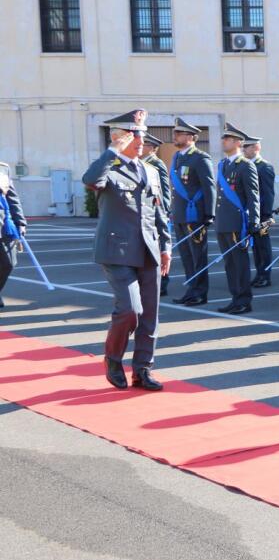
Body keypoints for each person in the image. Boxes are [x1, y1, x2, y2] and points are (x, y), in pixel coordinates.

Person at [81, 110, 172, 391]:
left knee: (150, 315)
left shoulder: (152, 169)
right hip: (116, 250)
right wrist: (112, 151)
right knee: (130, 310)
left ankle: (143, 369)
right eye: (135, 134)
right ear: (120, 137)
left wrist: (166, 246)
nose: (141, 139)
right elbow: (91, 180)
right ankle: (113, 358)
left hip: (149, 249)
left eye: (142, 134)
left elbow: (160, 211)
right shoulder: (108, 167)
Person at [213, 123, 261, 315]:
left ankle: (243, 300)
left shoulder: (246, 165)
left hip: (237, 223)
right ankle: (235, 298)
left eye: (228, 139)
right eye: (224, 138)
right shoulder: (223, 165)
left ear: (238, 142)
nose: (224, 142)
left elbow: (253, 195)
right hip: (223, 222)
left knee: (240, 264)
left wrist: (254, 221)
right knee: (229, 264)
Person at [168, 118, 215, 305]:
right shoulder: (177, 157)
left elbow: (209, 186)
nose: (175, 136)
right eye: (175, 133)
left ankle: (200, 292)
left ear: (191, 137)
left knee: (198, 256)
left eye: (179, 133)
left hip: (195, 215)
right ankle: (191, 288)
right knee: (186, 255)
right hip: (180, 214)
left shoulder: (200, 158)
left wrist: (209, 214)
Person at [139, 133, 172, 296]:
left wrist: (163, 212)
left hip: (156, 212)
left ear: (151, 148)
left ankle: (163, 283)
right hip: (146, 213)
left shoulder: (156, 164)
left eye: (144, 144)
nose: (140, 146)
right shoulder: (141, 164)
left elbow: (164, 191)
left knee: (160, 249)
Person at [244, 134, 276, 288]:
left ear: (256, 148)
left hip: (262, 214)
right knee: (256, 247)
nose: (244, 150)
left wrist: (266, 215)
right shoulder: (246, 165)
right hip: (252, 214)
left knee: (263, 246)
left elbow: (268, 194)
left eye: (247, 147)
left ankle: (265, 275)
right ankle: (259, 273)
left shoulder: (264, 167)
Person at [0, 161, 27, 308]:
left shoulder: (3, 168)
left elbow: (12, 197)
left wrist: (21, 223)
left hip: (4, 225)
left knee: (9, 263)